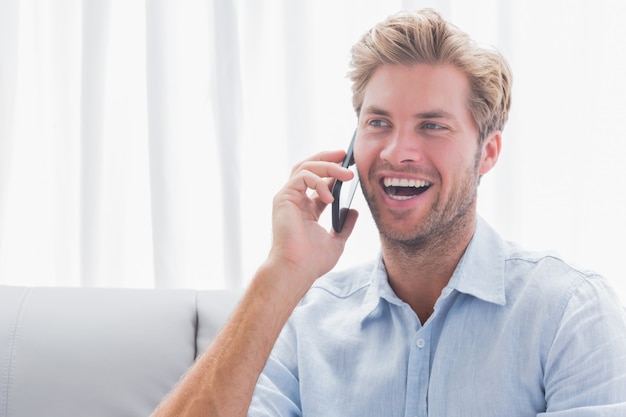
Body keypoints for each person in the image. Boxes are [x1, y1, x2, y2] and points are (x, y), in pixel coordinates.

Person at [152, 8, 626, 416]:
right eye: (379, 123)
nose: (399, 151)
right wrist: (281, 273)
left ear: (488, 152)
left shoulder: (569, 314)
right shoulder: (305, 324)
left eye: (433, 125)